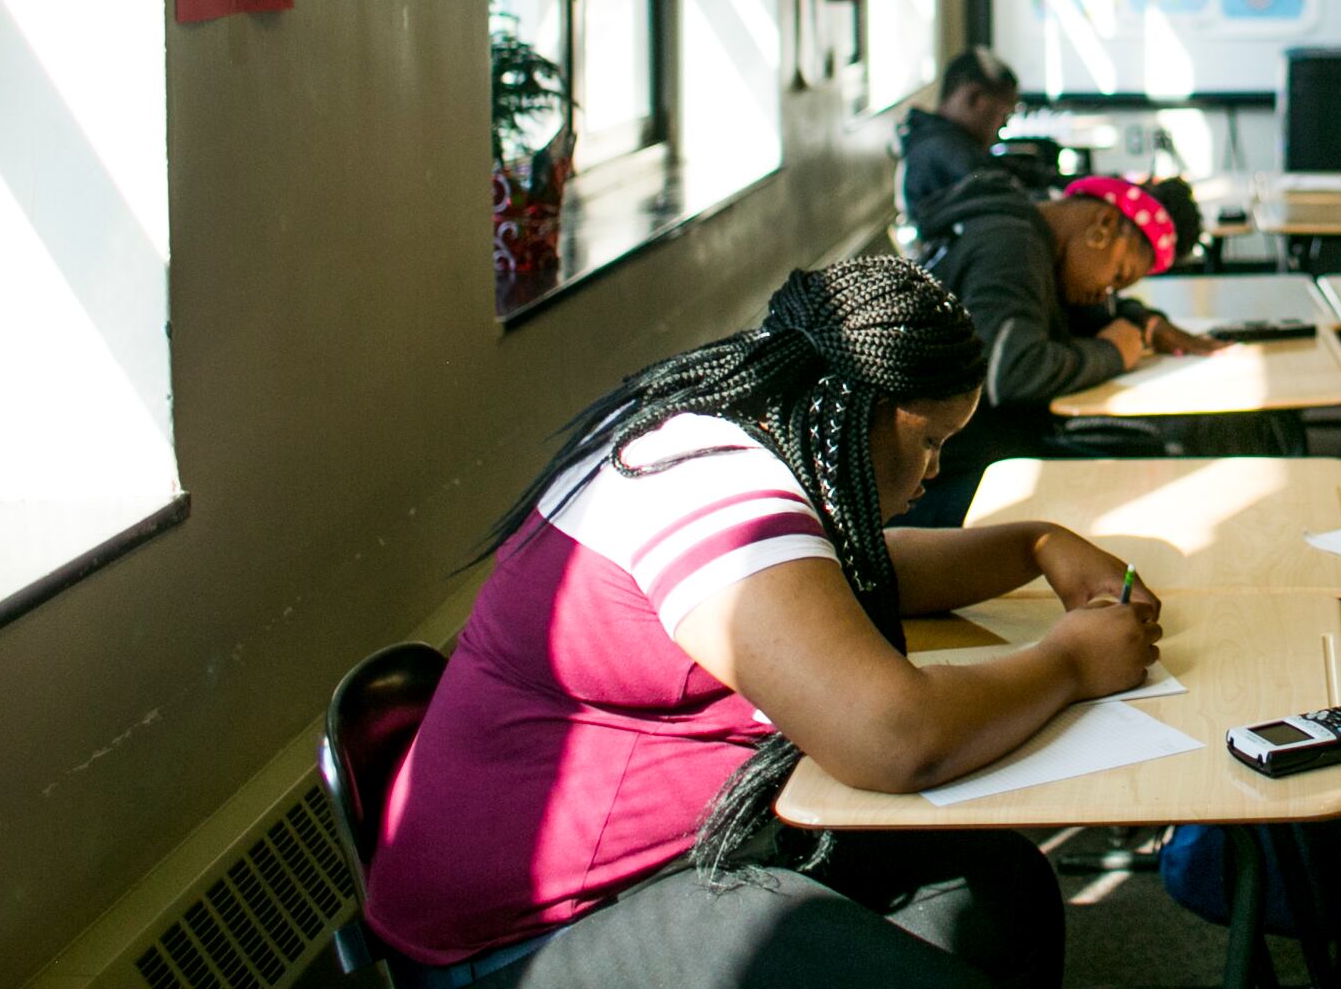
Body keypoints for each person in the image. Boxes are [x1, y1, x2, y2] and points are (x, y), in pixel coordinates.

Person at [364, 258, 1160, 988]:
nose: (936, 472)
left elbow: (871, 570)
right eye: (930, 442)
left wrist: (1036, 544)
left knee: (999, 884)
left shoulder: (729, 442)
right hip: (521, 946)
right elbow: (896, 736)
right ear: (857, 410)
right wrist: (1070, 663)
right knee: (833, 939)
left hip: (651, 882)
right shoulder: (703, 488)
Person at [910, 169, 1215, 517]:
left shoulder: (1025, 233)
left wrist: (1143, 321)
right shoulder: (1013, 250)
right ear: (1103, 225)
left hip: (979, 459)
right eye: (1118, 276)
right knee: (1150, 484)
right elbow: (1013, 371)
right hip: (944, 485)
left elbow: (1082, 313)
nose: (1106, 294)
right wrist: (1113, 353)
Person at [895, 48, 1021, 227]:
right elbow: (999, 197)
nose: (1004, 125)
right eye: (1004, 114)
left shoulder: (940, 141)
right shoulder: (944, 150)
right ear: (976, 98)